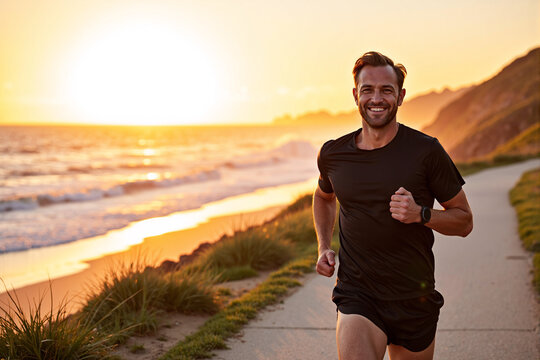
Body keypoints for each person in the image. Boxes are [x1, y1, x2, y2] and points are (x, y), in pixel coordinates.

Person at [313, 51, 473, 360]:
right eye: (367, 89)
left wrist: (421, 214)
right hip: (357, 293)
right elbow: (323, 196)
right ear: (355, 95)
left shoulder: (426, 151)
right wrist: (323, 246)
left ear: (400, 96)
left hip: (414, 297)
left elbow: (464, 221)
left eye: (386, 90)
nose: (377, 98)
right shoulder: (333, 154)